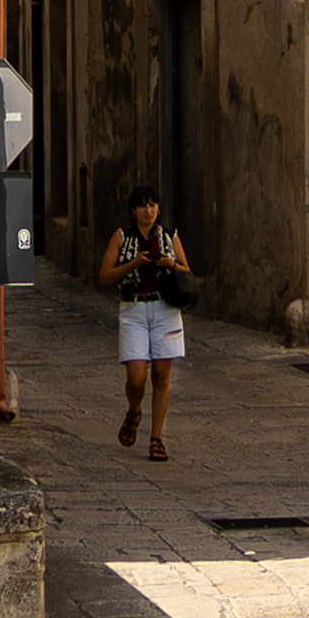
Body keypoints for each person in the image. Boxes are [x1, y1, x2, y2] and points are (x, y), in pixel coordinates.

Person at [101, 184, 192, 459]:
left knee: (162, 376)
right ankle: (135, 409)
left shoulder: (168, 236)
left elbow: (186, 269)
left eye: (153, 205)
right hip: (134, 310)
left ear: (159, 209)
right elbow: (105, 275)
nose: (148, 211)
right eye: (142, 205)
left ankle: (156, 439)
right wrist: (134, 264)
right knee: (137, 377)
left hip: (165, 309)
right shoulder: (122, 237)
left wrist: (170, 264)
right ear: (133, 210)